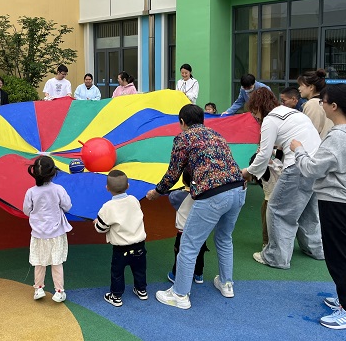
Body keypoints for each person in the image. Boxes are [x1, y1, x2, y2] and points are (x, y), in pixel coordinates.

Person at [290, 84, 346, 330]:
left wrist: (298, 150)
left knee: (339, 258)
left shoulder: (338, 137)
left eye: (323, 101)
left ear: (334, 106)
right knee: (345, 254)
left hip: (338, 203)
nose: (321, 105)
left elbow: (311, 169)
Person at [146, 104, 246, 310]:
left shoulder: (183, 138)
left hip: (213, 194)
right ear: (203, 120)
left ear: (182, 122)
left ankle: (180, 294)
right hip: (238, 189)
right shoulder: (217, 135)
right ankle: (226, 284)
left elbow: (173, 172)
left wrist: (157, 192)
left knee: (189, 245)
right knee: (224, 238)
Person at [242, 88, 324, 269]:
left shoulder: (270, 119)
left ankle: (276, 257)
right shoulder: (293, 113)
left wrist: (248, 171)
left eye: (254, 112)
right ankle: (314, 248)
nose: (255, 117)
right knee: (308, 210)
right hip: (317, 164)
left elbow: (263, 156)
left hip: (297, 166)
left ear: (258, 107)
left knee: (277, 209)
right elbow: (287, 140)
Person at [94, 170, 147, 307]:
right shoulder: (134, 200)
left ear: (107, 188)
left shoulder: (108, 207)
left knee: (117, 272)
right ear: (128, 186)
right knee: (139, 269)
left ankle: (116, 296)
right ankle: (141, 290)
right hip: (139, 245)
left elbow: (101, 229)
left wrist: (97, 223)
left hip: (121, 249)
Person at [23, 155, 72, 303]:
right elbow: (67, 206)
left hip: (38, 234)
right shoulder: (58, 189)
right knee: (56, 263)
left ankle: (38, 289)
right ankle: (59, 291)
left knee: (39, 262)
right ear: (53, 172)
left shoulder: (31, 192)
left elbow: (26, 210)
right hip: (56, 233)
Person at [166, 170, 208, 285]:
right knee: (199, 253)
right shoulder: (204, 195)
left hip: (183, 233)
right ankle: (198, 274)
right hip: (200, 232)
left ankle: (175, 274)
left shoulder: (177, 196)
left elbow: (171, 196)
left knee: (180, 254)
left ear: (183, 180)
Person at [298, 69, 333, 139]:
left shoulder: (312, 104)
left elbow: (311, 133)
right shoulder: (323, 101)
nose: (299, 88)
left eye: (301, 85)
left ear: (311, 87)